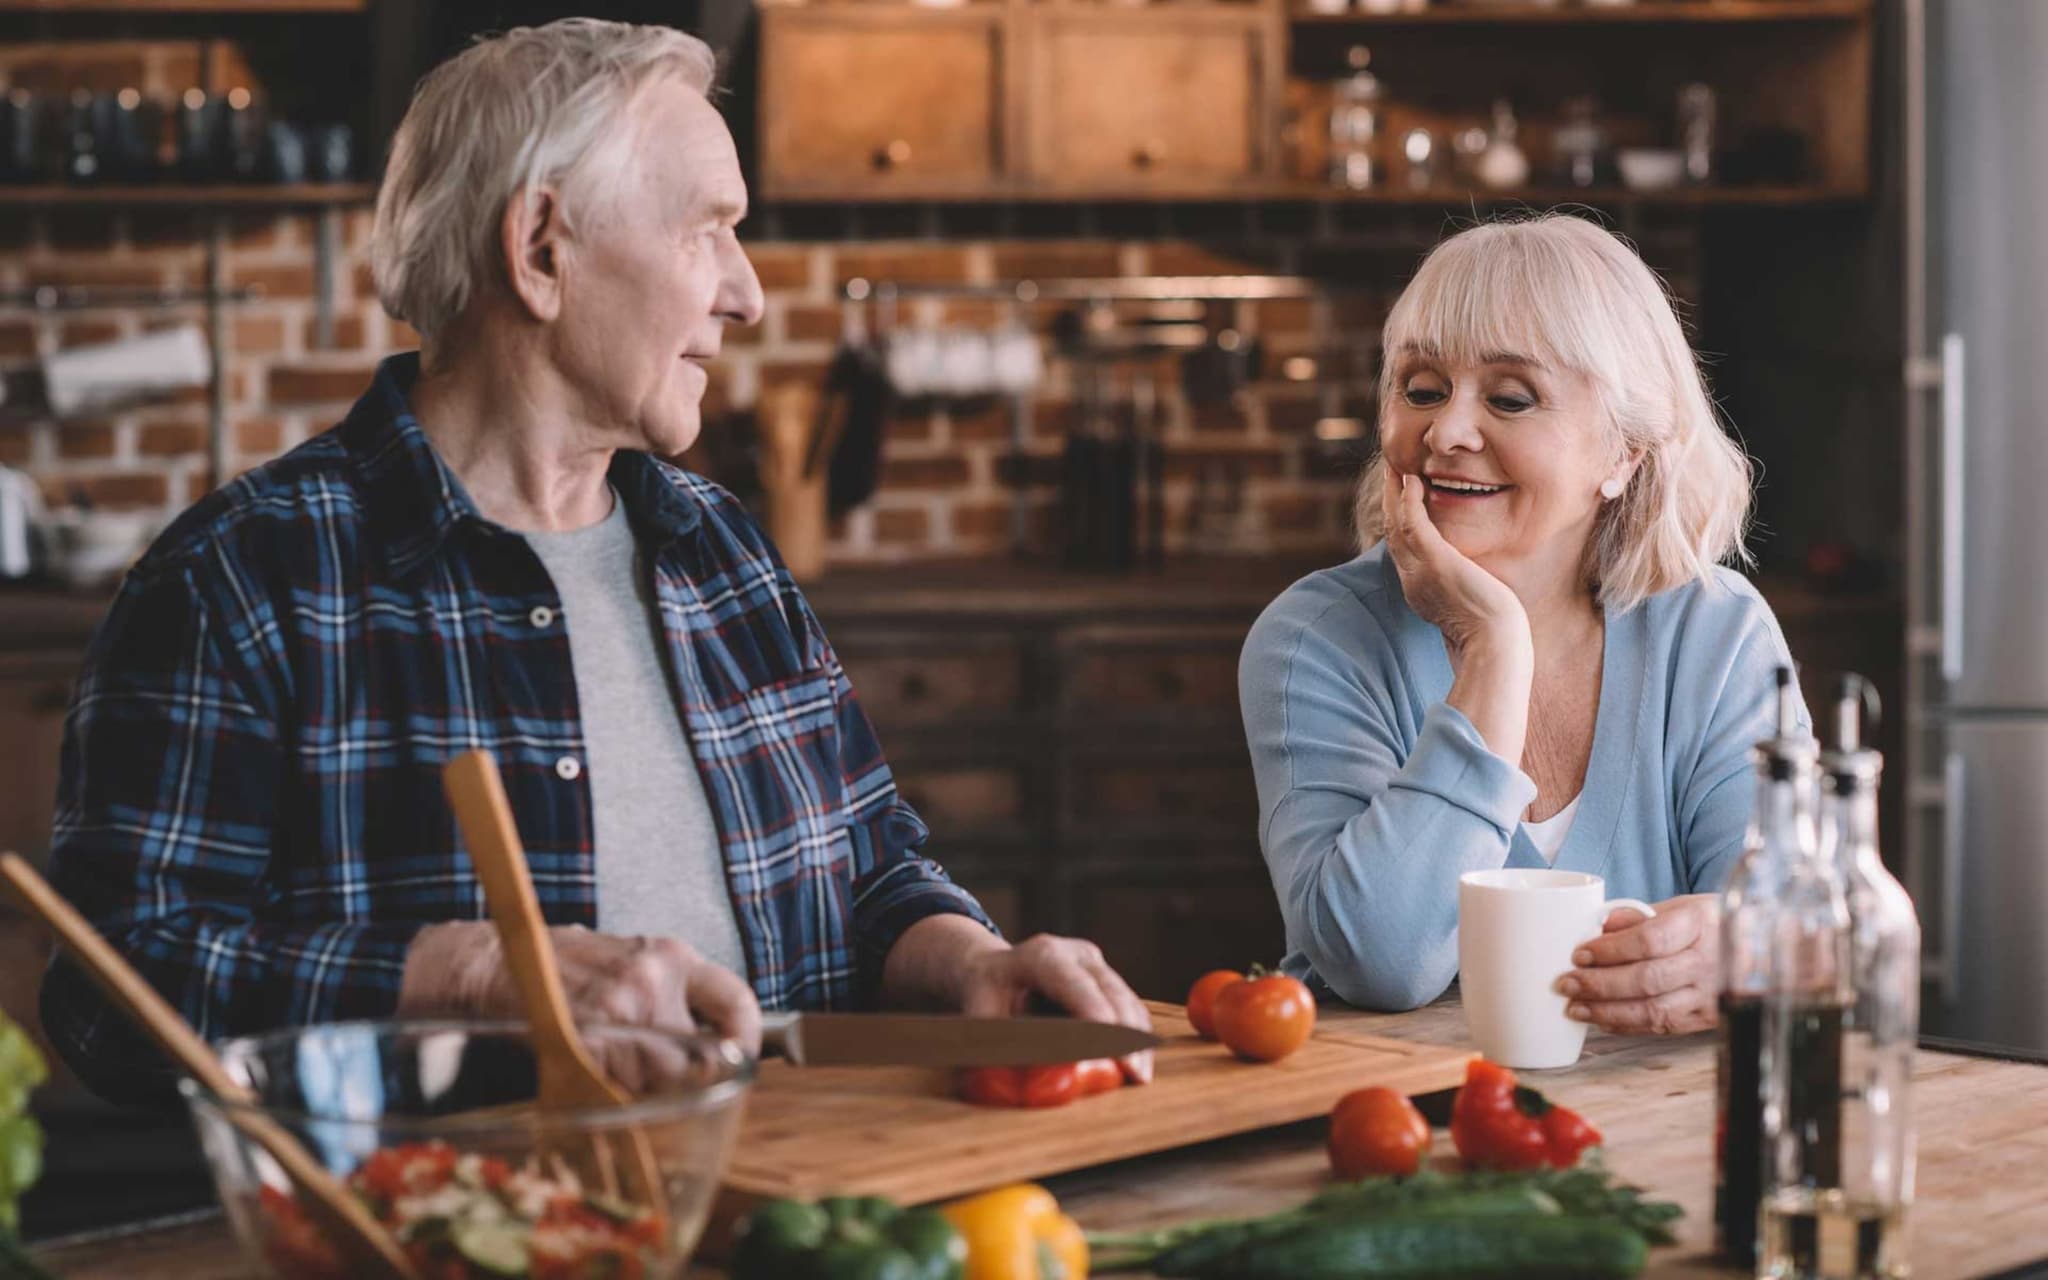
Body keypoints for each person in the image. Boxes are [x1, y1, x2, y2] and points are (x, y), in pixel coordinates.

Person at [40, 18, 1150, 1106]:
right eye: (705, 231)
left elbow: (868, 866)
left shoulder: (721, 552)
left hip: (787, 1194)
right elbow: (113, 992)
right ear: (540, 251)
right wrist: (477, 975)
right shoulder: (237, 581)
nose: (748, 293)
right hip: (450, 1206)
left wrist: (967, 961)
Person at [1239, 213, 1806, 1034]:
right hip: (1407, 1107)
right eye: (1420, 389)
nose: (1445, 432)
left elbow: (1811, 915)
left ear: (1623, 454)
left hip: (1666, 1105)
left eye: (1510, 398)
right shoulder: (1317, 639)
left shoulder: (1716, 635)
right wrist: (1494, 650)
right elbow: (1380, 960)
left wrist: (1749, 946)